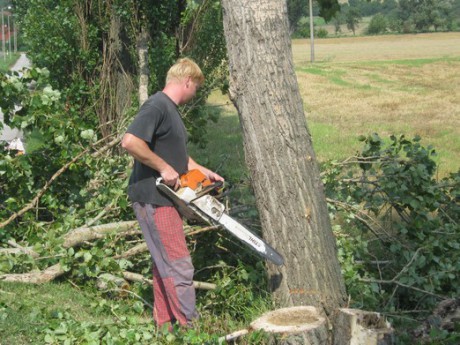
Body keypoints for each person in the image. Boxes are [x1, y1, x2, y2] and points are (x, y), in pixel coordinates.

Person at [121, 58, 224, 329]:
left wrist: (204, 172)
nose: (195, 94)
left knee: (163, 263)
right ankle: (190, 328)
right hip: (154, 198)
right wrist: (163, 167)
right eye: (197, 88)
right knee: (179, 263)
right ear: (187, 81)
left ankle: (165, 326)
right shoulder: (157, 105)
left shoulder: (170, 111)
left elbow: (179, 158)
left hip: (164, 198)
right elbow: (130, 142)